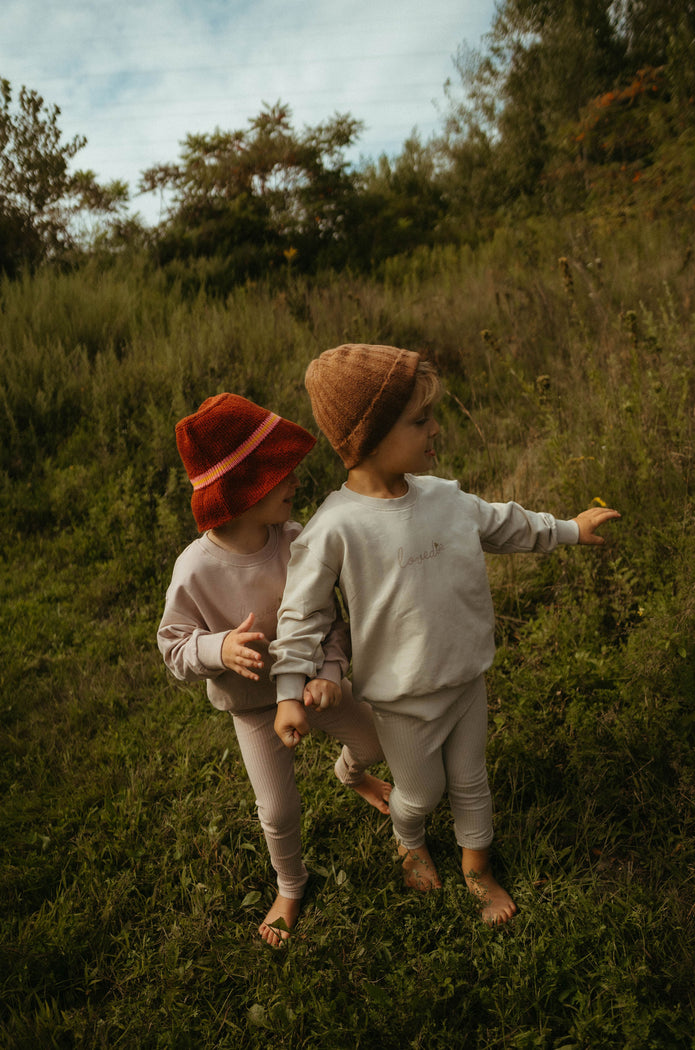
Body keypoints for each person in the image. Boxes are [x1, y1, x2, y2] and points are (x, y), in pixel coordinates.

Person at [270, 343, 620, 925]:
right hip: (403, 700)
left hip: (465, 678)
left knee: (472, 780)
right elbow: (302, 614)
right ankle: (410, 840)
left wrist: (566, 529)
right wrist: (288, 689)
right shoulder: (336, 526)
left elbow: (504, 523)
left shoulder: (445, 497)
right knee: (421, 795)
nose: (436, 428)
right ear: (371, 438)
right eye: (420, 419)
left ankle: (478, 869)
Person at [157, 392, 391, 945]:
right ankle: (290, 883)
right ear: (241, 491)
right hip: (254, 710)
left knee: (375, 743)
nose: (294, 481)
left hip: (313, 685)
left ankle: (352, 776)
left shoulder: (296, 541)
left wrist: (330, 672)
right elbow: (173, 648)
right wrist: (218, 650)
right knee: (279, 809)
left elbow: (330, 616)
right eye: (279, 472)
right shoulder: (195, 570)